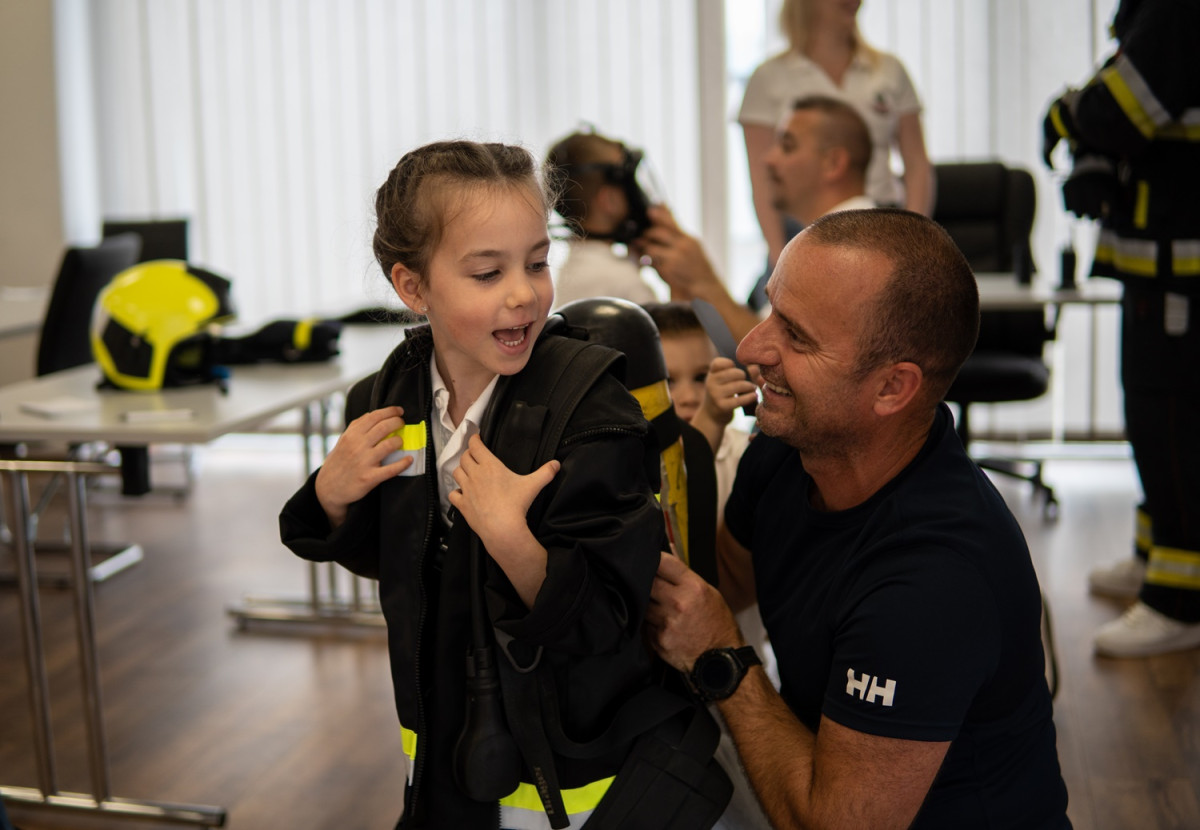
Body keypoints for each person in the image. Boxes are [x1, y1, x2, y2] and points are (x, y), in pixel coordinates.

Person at [279, 140, 671, 829]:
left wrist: (512, 540)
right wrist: (333, 496)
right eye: (487, 273)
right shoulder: (388, 401)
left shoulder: (591, 409)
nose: (524, 292)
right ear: (412, 287)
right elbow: (398, 559)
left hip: (564, 772)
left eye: (538, 262)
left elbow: (610, 618)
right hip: (440, 740)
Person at [646, 209, 1072, 829]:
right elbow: (723, 583)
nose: (749, 348)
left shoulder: (935, 578)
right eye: (771, 310)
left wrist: (722, 655)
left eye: (796, 336)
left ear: (892, 389)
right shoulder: (787, 453)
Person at [1042, 0, 1200, 658]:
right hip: (1158, 263)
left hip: (1181, 266)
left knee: (1172, 421)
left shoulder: (1175, 10)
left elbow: (1119, 110)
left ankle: (1179, 598)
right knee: (1149, 415)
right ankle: (1155, 555)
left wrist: (1067, 111)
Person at [639, 94, 876, 345]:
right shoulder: (829, 239)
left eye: (787, 146)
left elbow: (777, 351)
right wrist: (687, 278)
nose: (768, 159)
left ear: (833, 163)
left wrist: (704, 280)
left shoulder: (849, 252)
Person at [738, 0, 934, 274]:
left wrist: (914, 243)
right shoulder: (769, 78)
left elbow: (917, 164)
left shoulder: (889, 71)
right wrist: (778, 255)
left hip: (880, 224)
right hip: (801, 230)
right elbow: (763, 179)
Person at [544, 130, 662, 309]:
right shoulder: (625, 282)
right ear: (610, 200)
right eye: (628, 181)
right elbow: (669, 335)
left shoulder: (573, 270)